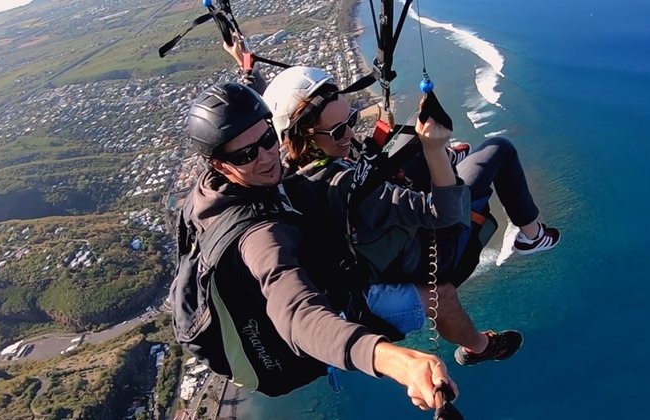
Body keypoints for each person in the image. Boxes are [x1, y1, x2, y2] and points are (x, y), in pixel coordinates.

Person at [177, 81, 457, 411]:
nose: (266, 157)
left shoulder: (211, 191)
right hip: (289, 347)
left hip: (280, 292)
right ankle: (476, 346)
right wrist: (397, 362)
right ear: (219, 164)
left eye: (268, 139)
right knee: (445, 293)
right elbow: (298, 314)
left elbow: (249, 129)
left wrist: (248, 70)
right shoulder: (259, 237)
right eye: (246, 155)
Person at [262, 66, 561, 366]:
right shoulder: (351, 190)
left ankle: (443, 159)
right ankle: (531, 236)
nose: (350, 133)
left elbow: (361, 171)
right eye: (339, 130)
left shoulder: (292, 172)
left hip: (375, 250)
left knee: (408, 143)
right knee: (499, 150)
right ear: (307, 136)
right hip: (428, 256)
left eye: (350, 119)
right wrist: (434, 150)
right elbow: (445, 214)